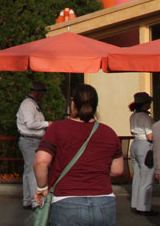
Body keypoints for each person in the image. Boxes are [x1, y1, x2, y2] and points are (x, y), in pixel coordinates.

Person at [33, 83, 124, 225]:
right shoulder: (109, 133)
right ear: (95, 105)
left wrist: (42, 188)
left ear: (73, 103)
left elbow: (40, 162)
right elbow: (117, 170)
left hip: (67, 200)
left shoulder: (57, 129)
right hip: (104, 201)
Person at [17, 81, 49, 210]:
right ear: (37, 92)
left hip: (30, 140)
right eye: (42, 93)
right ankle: (35, 202)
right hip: (30, 140)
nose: (43, 96)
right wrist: (47, 124)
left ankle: (28, 200)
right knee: (33, 170)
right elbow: (30, 124)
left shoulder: (31, 104)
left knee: (28, 170)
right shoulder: (28, 104)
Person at [129, 91, 155, 216]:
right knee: (147, 177)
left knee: (137, 177)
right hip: (145, 145)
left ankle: (135, 203)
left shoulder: (133, 116)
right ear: (144, 104)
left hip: (134, 144)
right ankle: (144, 206)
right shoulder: (147, 118)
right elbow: (150, 136)